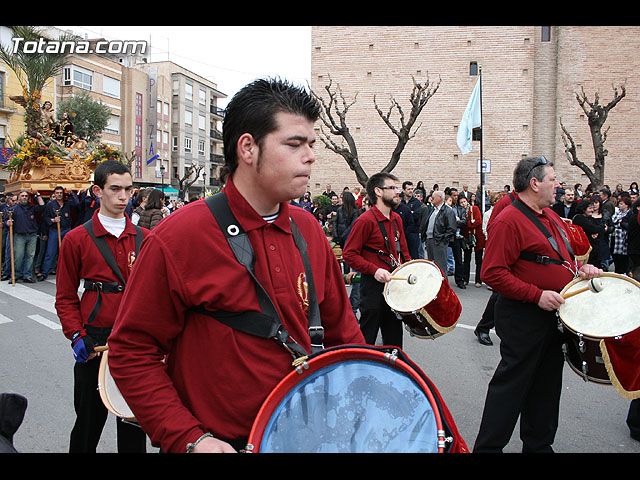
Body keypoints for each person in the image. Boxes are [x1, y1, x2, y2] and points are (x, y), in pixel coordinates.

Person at [106, 78, 364, 454]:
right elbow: (131, 352)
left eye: (311, 144)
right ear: (247, 148)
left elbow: (346, 338)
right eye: (294, 144)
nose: (310, 156)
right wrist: (189, 438)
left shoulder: (308, 228)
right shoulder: (180, 235)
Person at [474, 156, 602, 453]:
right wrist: (536, 295)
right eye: (553, 179)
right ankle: (488, 448)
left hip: (552, 318)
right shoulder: (509, 219)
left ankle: (538, 446)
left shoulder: (552, 216)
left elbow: (563, 260)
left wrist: (582, 270)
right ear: (534, 183)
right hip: (523, 318)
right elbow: (492, 272)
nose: (558, 185)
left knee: (546, 388)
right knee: (511, 388)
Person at [54, 160, 148, 453]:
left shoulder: (146, 238)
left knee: (133, 428)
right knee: (87, 425)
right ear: (98, 191)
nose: (123, 197)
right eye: (115, 189)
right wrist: (76, 335)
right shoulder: (76, 239)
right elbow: (65, 296)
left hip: (135, 342)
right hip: (94, 340)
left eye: (129, 190)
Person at [343, 172, 411, 349]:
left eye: (398, 187)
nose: (398, 192)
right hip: (372, 287)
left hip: (394, 287)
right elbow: (349, 254)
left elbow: (403, 252)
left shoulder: (396, 219)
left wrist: (411, 271)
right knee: (367, 339)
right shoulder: (365, 221)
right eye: (393, 188)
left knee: (394, 341)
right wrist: (374, 270)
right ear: (378, 192)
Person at [3, 190, 45, 283]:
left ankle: (27, 275)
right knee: (18, 257)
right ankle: (16, 275)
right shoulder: (13, 210)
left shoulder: (32, 208)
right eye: (22, 196)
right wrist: (7, 222)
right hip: (19, 236)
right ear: (18, 198)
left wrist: (37, 194)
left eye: (26, 196)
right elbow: (4, 220)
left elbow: (42, 206)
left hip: (32, 235)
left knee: (30, 256)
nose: (24, 197)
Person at [39, 186, 79, 281]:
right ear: (54, 194)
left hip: (66, 230)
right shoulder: (50, 205)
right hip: (55, 230)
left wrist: (71, 193)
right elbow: (45, 217)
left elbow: (77, 203)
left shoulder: (67, 203)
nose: (59, 195)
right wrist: (52, 220)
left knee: (69, 251)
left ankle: (70, 272)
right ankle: (45, 273)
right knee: (50, 252)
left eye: (61, 193)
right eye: (57, 193)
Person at [422, 190, 456, 275]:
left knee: (440, 267)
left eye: (433, 197)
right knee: (432, 266)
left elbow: (451, 228)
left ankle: (444, 287)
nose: (431, 199)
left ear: (440, 198)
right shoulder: (433, 210)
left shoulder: (448, 211)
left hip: (439, 241)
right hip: (430, 240)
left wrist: (443, 240)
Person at [610, 195, 632, 274]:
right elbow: (613, 220)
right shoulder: (617, 212)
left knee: (623, 259)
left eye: (622, 204)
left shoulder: (629, 213)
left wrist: (621, 222)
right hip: (615, 237)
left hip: (624, 238)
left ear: (627, 205)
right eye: (619, 203)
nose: (620, 205)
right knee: (616, 257)